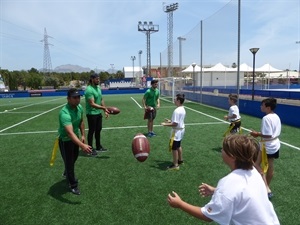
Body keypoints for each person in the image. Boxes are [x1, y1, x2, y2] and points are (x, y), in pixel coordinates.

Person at [167, 134, 280, 225]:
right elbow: (243, 193)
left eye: (224, 149)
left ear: (232, 156)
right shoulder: (254, 172)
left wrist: (180, 204)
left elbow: (207, 216)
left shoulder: (228, 183)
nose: (222, 151)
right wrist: (216, 190)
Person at [58, 88, 92, 195]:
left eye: (79, 97)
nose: (77, 100)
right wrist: (82, 145)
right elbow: (70, 133)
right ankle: (73, 185)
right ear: (68, 99)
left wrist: (82, 135)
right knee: (69, 163)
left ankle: (67, 171)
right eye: (74, 98)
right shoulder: (64, 113)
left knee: (74, 158)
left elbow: (81, 121)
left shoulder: (79, 107)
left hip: (76, 138)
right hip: (65, 141)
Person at [250, 97, 281, 199]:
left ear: (268, 107)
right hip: (275, 144)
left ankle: (266, 188)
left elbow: (267, 134)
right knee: (270, 166)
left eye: (262, 105)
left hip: (267, 145)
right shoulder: (276, 116)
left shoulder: (266, 118)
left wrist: (256, 134)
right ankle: (266, 186)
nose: (261, 106)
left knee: (256, 165)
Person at [85, 74, 109, 156]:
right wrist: (103, 108)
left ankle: (98, 146)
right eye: (96, 79)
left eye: (99, 79)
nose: (98, 80)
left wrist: (104, 109)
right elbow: (92, 103)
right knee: (92, 131)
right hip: (91, 113)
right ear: (91, 79)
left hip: (98, 113)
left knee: (98, 130)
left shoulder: (98, 88)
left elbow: (101, 99)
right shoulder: (89, 90)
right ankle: (90, 149)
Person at [161, 94, 186, 171]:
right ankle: (180, 160)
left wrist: (165, 124)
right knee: (178, 146)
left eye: (175, 99)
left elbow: (175, 124)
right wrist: (170, 121)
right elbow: (177, 121)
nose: (174, 100)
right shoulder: (182, 109)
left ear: (178, 101)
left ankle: (175, 165)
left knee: (174, 148)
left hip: (176, 131)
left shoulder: (176, 111)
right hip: (181, 130)